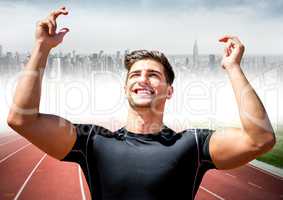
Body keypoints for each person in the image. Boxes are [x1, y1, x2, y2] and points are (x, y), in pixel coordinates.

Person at [7, 6, 276, 200]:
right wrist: (42, 48)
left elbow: (260, 139)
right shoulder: (92, 143)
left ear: (169, 91)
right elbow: (22, 120)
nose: (143, 79)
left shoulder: (193, 145)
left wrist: (233, 68)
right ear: (126, 89)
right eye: (135, 74)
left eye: (153, 75)